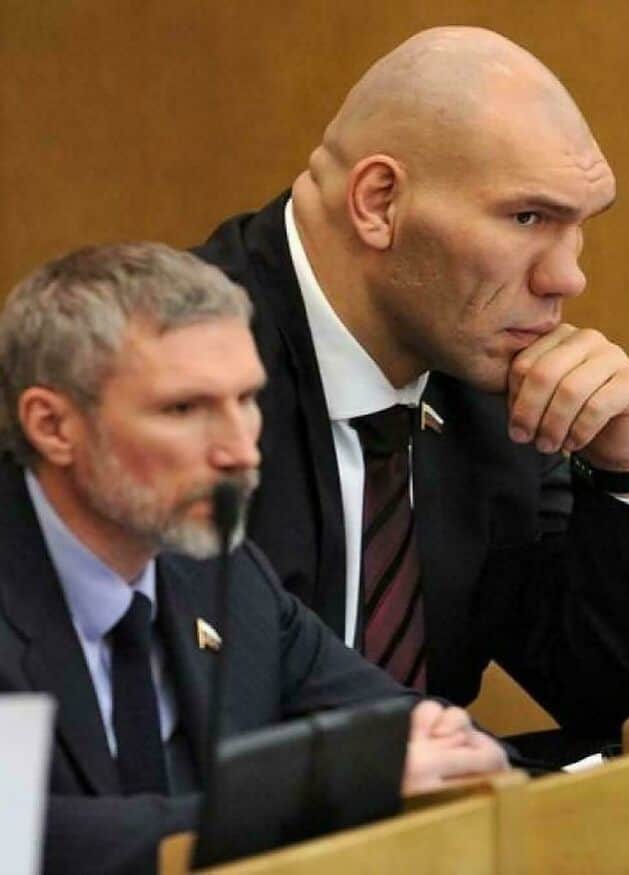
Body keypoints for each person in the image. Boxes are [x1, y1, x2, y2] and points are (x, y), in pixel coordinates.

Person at [194, 27, 629, 736]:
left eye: (578, 225)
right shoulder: (165, 379)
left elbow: (612, 704)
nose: (568, 277)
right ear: (379, 203)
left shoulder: (492, 383)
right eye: (527, 217)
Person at [0, 242, 508, 875]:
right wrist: (321, 797)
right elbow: (22, 836)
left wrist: (451, 753)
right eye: (184, 409)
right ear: (53, 426)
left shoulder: (221, 571)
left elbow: (395, 724)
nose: (240, 452)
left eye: (246, 401)